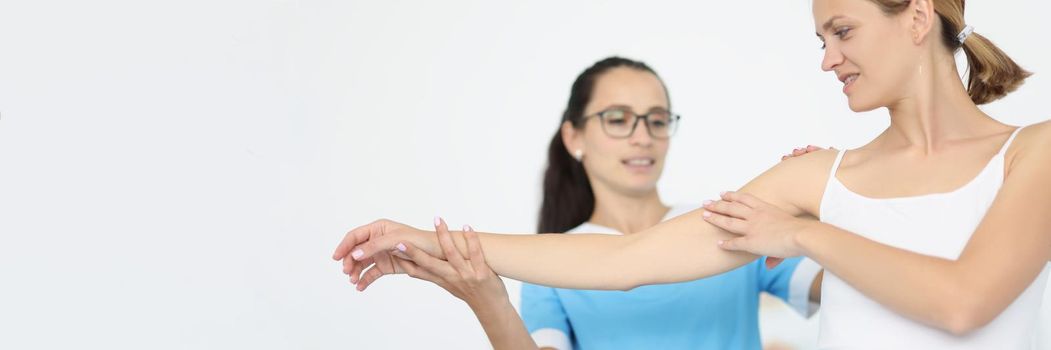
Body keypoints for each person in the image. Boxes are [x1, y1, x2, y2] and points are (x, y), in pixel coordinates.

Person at [337, 0, 1050, 348]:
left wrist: (807, 235)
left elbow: (963, 302)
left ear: (918, 16)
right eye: (819, 38)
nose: (826, 59)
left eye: (841, 30)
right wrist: (424, 240)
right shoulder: (813, 182)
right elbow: (622, 260)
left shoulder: (1034, 152)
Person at [351, 56, 824, 349]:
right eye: (618, 119)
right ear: (574, 136)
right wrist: (487, 299)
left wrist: (824, 202)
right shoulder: (552, 265)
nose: (642, 137)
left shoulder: (727, 224)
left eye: (657, 120)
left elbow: (847, 282)